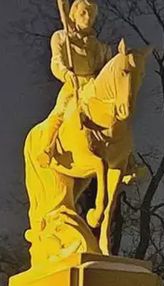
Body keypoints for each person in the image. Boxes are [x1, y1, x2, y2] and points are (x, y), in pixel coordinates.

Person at [39, 0, 113, 167]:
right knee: (59, 114)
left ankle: (127, 158)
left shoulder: (101, 47)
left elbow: (106, 72)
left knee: (115, 116)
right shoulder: (60, 37)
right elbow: (56, 62)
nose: (88, 17)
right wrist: (65, 73)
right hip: (73, 85)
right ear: (73, 14)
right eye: (83, 13)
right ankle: (47, 149)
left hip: (94, 87)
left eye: (91, 14)